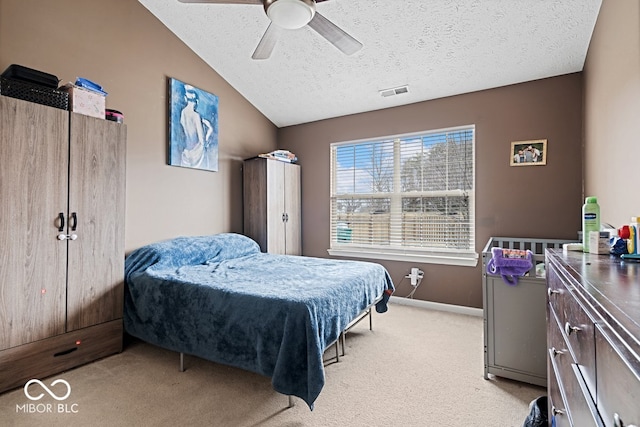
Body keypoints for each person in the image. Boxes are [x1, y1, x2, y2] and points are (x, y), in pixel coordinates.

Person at [179, 85, 212, 168]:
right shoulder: (196, 116)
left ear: (186, 99)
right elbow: (202, 141)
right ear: (196, 101)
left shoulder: (183, 113)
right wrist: (209, 130)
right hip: (196, 153)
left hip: (186, 152)